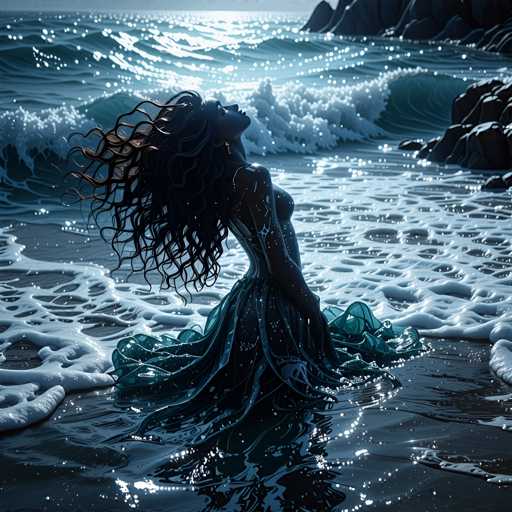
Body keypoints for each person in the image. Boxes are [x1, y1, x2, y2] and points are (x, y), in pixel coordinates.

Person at [69, 90, 424, 446]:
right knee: (288, 403)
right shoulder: (251, 177)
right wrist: (311, 306)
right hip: (274, 305)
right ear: (214, 132)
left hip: (253, 303)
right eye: (221, 109)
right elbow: (278, 263)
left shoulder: (229, 174)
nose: (233, 106)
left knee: (259, 393)